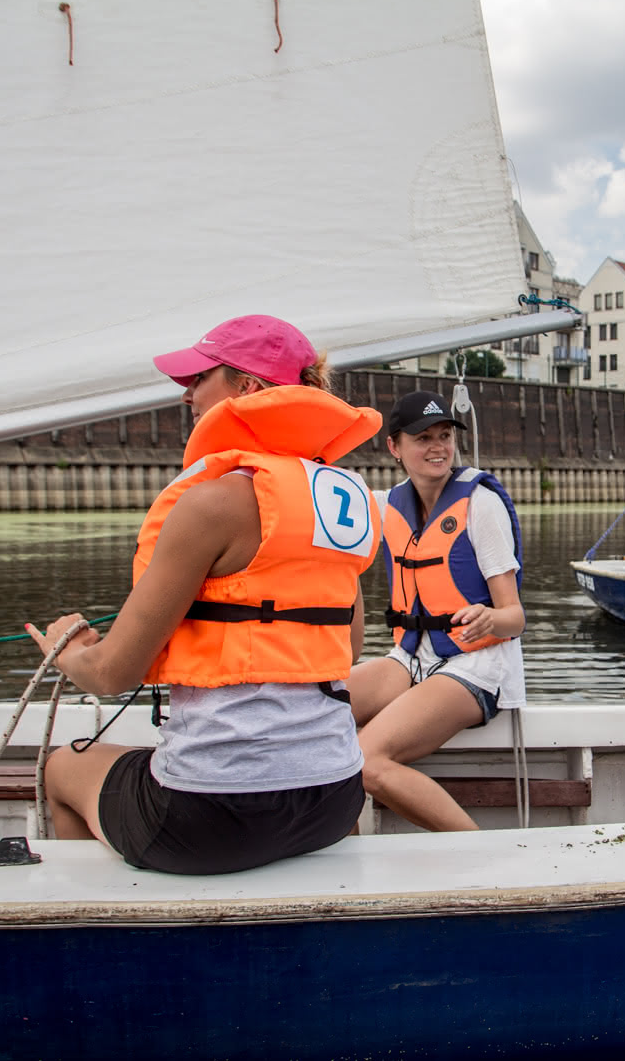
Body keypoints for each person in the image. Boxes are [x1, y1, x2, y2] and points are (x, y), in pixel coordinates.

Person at [27, 315, 381, 874]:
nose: (187, 392)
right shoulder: (344, 501)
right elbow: (350, 647)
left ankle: (100, 917)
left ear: (247, 388)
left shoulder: (210, 504)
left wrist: (66, 653)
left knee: (59, 768)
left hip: (210, 814)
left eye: (199, 377)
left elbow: (113, 675)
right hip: (334, 797)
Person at [348, 390, 526, 832]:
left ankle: (484, 864)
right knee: (310, 715)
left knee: (365, 760)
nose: (438, 448)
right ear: (394, 446)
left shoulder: (479, 506)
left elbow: (515, 616)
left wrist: (489, 618)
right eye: (423, 437)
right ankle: (339, 856)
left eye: (445, 435)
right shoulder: (386, 505)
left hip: (475, 665)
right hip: (410, 658)